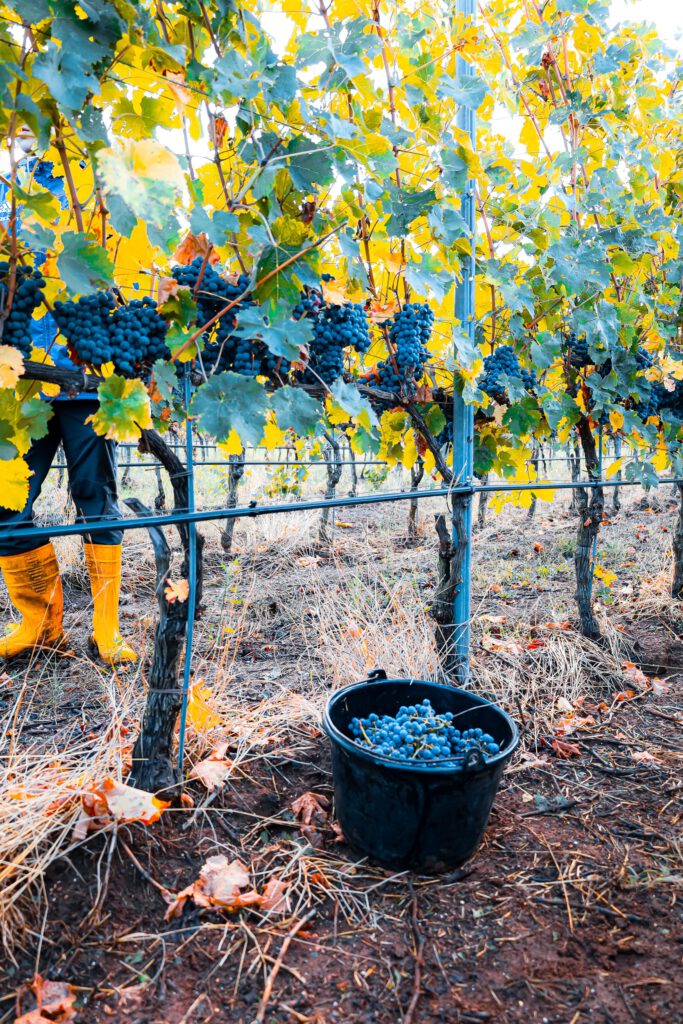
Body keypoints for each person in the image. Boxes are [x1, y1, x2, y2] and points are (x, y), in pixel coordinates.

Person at [0, 127, 136, 665]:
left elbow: (116, 268)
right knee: (6, 504)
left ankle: (106, 632)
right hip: (20, 380)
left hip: (86, 375)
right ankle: (40, 624)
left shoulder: (92, 183)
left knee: (95, 499)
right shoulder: (6, 189)